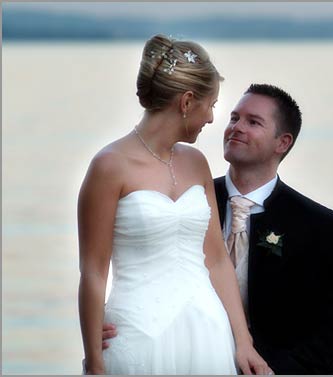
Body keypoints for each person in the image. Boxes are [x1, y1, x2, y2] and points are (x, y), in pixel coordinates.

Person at [103, 83, 333, 374]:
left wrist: (274, 371)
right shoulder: (187, 206)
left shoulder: (323, 228)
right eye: (234, 118)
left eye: (253, 122)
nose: (237, 127)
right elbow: (141, 269)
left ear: (282, 142)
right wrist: (117, 320)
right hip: (188, 358)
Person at [78, 34, 271, 375]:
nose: (212, 118)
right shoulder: (109, 166)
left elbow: (216, 260)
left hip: (208, 334)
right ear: (186, 102)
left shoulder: (196, 163)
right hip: (138, 335)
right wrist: (94, 359)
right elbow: (94, 271)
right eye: (210, 105)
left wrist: (243, 342)